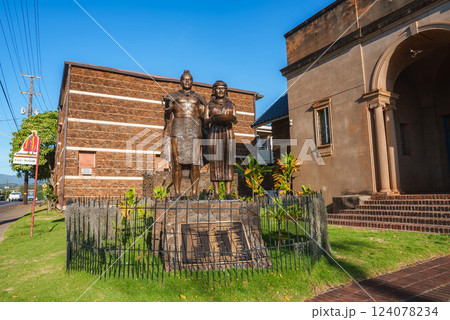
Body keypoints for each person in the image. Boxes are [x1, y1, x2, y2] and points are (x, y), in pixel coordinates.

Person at [161, 70, 207, 199]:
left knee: (195, 162)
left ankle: (194, 193)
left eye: (189, 79)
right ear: (180, 81)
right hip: (178, 129)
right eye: (184, 79)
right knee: (177, 162)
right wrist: (167, 104)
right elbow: (167, 114)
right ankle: (177, 192)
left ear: (192, 81)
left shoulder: (200, 98)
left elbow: (204, 116)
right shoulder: (173, 96)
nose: (187, 81)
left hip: (195, 129)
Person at [205, 80, 236, 199]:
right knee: (215, 162)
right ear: (214, 90)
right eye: (218, 88)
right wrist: (213, 119)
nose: (221, 90)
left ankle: (228, 192)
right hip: (214, 132)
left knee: (229, 161)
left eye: (223, 88)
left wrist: (231, 118)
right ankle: (216, 193)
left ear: (226, 90)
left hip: (228, 133)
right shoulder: (209, 105)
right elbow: (205, 120)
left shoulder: (231, 104)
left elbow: (235, 119)